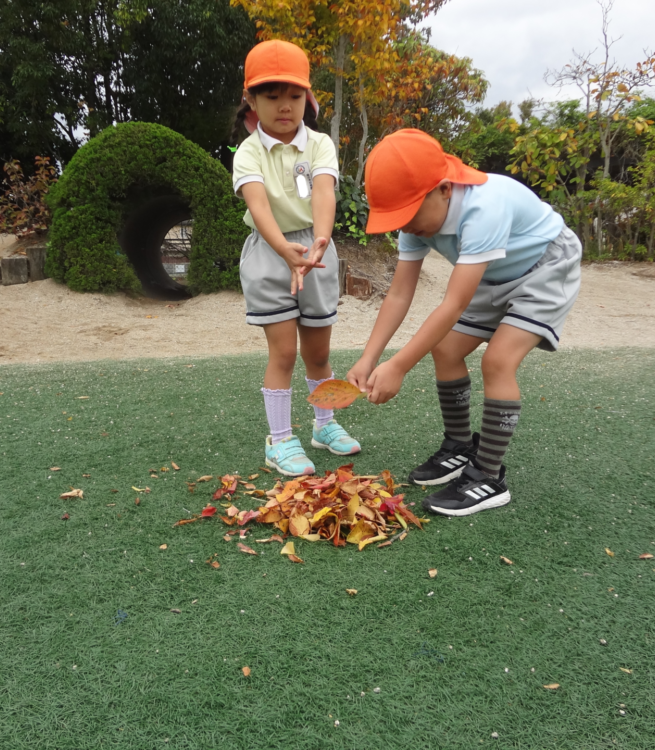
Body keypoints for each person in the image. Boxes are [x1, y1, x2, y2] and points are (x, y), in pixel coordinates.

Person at [346, 129, 581, 516]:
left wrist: (399, 366)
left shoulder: (484, 208)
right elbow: (400, 294)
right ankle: (458, 446)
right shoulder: (419, 221)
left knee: (498, 360)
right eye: (396, 218)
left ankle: (488, 476)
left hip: (545, 267)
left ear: (442, 189)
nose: (404, 226)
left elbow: (453, 304)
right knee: (447, 348)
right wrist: (369, 359)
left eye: (408, 215)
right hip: (492, 273)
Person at [231, 39, 361, 477]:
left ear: (308, 96)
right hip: (271, 252)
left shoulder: (320, 144)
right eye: (272, 96)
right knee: (284, 352)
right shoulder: (247, 152)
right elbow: (259, 205)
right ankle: (280, 441)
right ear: (251, 99)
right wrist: (284, 250)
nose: (284, 106)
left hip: (317, 251)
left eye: (294, 95)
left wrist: (321, 239)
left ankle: (324, 426)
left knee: (319, 353)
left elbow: (324, 190)